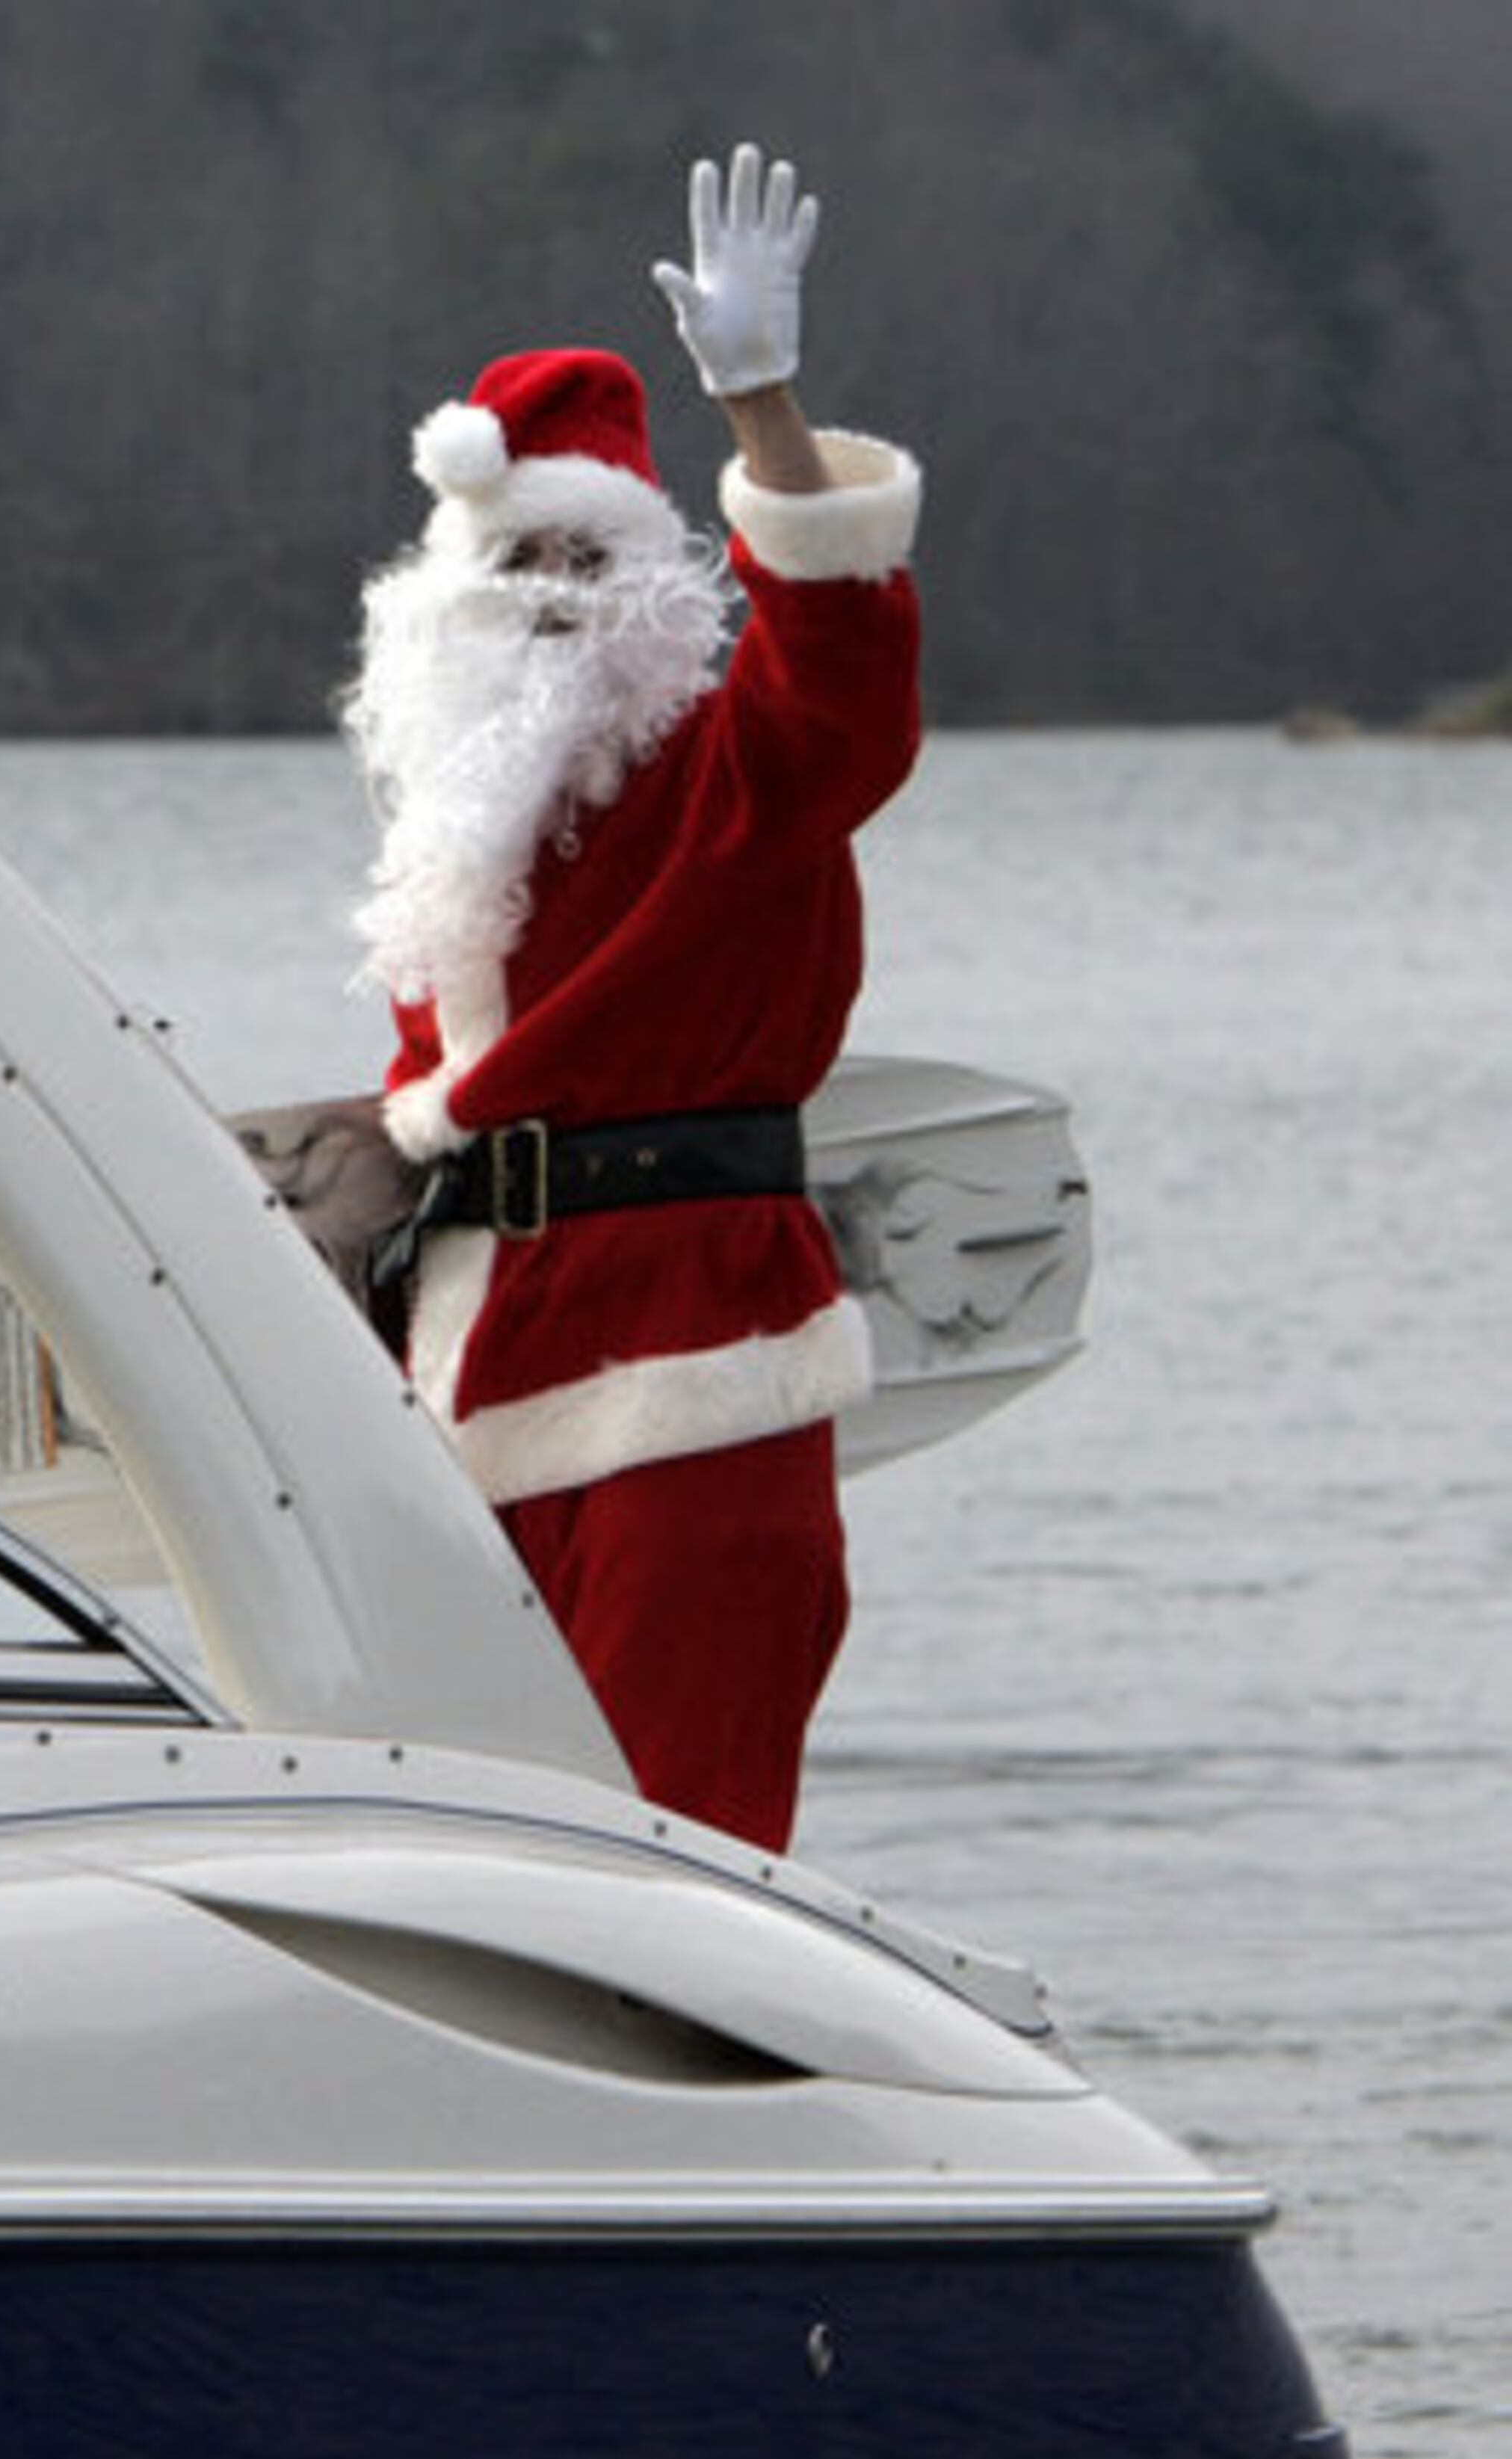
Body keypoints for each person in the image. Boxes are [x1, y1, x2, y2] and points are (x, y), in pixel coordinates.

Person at [339, 145, 923, 1851]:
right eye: (508, 566)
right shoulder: (455, 853)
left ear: (653, 590)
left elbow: (843, 662)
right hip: (466, 1393)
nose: (541, 604)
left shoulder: (748, 774)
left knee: (682, 1853)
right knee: (490, 1864)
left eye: (578, 563)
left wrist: (761, 408)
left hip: (695, 1373)